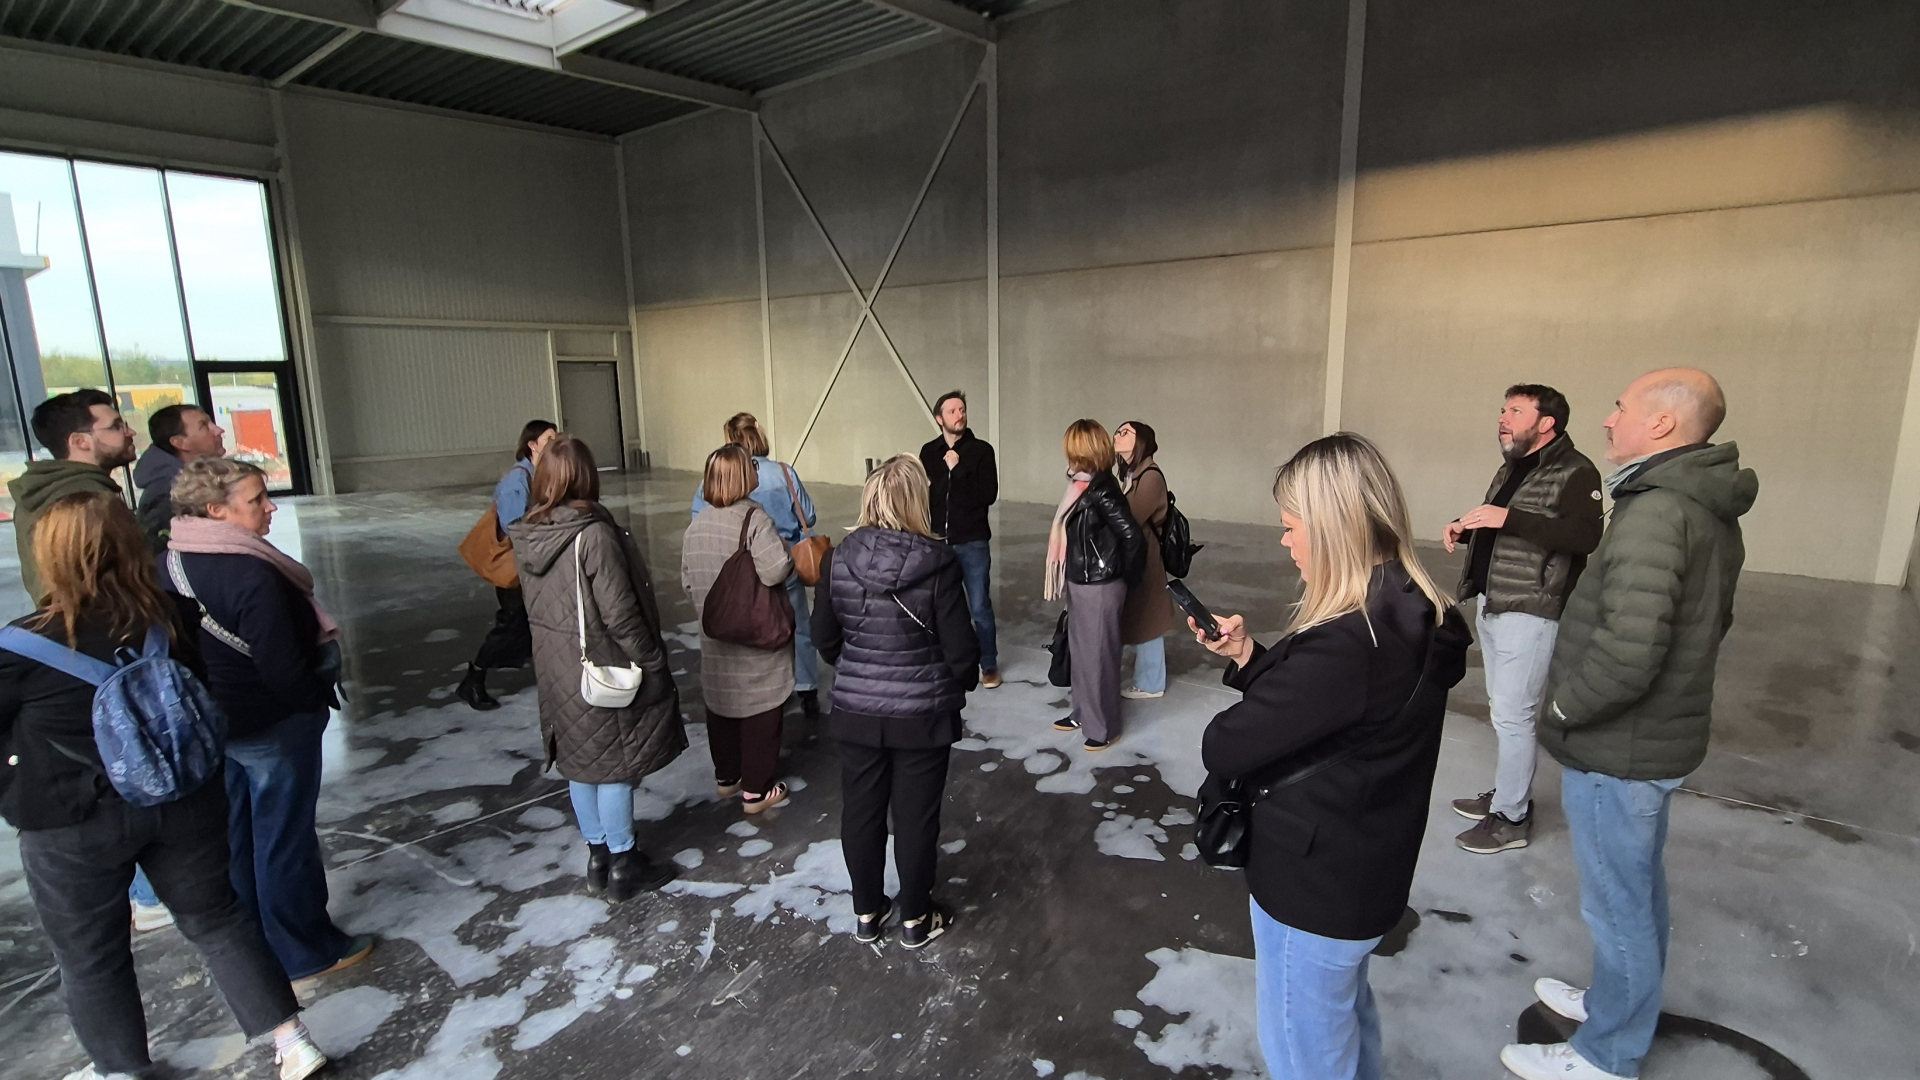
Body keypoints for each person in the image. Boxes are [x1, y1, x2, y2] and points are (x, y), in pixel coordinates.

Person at [0, 492, 327, 1080]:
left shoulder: (22, 647)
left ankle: (122, 1067)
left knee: (90, 955)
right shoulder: (171, 617)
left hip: (73, 819)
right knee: (218, 920)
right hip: (181, 799)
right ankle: (293, 1041)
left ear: (49, 557)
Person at [1500, 369, 1757, 1080]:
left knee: (1617, 905)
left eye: (1621, 408)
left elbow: (1630, 652)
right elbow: (1707, 623)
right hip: (1649, 737)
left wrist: (1562, 708)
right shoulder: (1697, 504)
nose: (1610, 420)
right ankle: (1613, 1003)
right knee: (1635, 892)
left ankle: (1608, 1054)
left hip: (1621, 747)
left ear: (1663, 424)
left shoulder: (1657, 513)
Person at [1198, 433, 1469, 1080]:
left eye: (1292, 527)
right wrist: (1249, 658)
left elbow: (1225, 744)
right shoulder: (1411, 606)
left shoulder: (1352, 643)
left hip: (1314, 888)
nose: (1284, 541)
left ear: (1331, 528)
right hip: (1365, 865)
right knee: (1345, 1026)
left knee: (1305, 1053)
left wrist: (1265, 682)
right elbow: (1341, 713)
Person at [163, 457, 372, 984]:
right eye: (256, 499)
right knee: (285, 838)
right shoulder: (252, 572)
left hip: (214, 723)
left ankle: (252, 942)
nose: (271, 507)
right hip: (272, 724)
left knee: (238, 836)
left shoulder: (170, 561)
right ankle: (305, 949)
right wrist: (312, 701)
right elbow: (282, 668)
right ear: (217, 510)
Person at [812, 455, 978, 948]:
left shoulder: (836, 560)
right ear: (917, 502)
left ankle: (867, 912)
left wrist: (860, 668)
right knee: (915, 819)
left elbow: (824, 638)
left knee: (861, 812)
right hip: (922, 717)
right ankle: (916, 919)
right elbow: (961, 651)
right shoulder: (939, 563)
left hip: (856, 712)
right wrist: (959, 681)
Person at [513, 435, 684, 900]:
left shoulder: (529, 534)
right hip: (601, 664)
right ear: (586, 476)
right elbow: (620, 614)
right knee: (613, 765)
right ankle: (625, 863)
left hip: (557, 666)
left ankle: (598, 856)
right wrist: (651, 658)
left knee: (579, 762)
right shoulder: (592, 534)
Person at [1441, 385, 1603, 855]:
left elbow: (1584, 536)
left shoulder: (1577, 471)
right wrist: (1466, 528)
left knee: (1515, 715)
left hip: (1532, 607)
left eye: (1515, 410)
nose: (1503, 418)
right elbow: (1504, 529)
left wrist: (1506, 518)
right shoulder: (1514, 466)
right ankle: (1508, 794)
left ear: (1546, 422)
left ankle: (1511, 817)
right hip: (1496, 599)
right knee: (1504, 710)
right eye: (1503, 409)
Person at [692, 413, 824, 730]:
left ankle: (760, 691)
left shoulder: (715, 478)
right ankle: (807, 688)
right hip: (785, 563)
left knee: (750, 628)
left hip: (736, 570)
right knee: (798, 628)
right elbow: (808, 516)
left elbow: (699, 519)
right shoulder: (784, 472)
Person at [683, 445, 796, 813]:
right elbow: (774, 571)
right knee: (761, 706)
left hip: (714, 634)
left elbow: (688, 581)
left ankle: (727, 778)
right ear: (743, 476)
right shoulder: (755, 520)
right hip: (755, 635)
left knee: (721, 704)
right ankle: (757, 791)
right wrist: (786, 550)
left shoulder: (697, 524)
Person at [1045, 420, 1145, 751]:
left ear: (1083, 451)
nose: (1066, 455)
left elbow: (1132, 537)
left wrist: (1121, 576)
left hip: (1100, 584)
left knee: (1100, 656)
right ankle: (1082, 713)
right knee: (1081, 653)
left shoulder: (1102, 490)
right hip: (1080, 580)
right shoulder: (1080, 486)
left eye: (1071, 449)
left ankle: (1105, 727)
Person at [458, 420, 557, 711]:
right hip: (517, 567)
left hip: (530, 564)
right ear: (532, 444)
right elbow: (513, 525)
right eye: (549, 439)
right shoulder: (518, 479)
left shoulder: (538, 475)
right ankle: (474, 678)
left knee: (527, 623)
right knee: (512, 624)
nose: (555, 443)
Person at [8, 389, 136, 601]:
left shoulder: (41, 490)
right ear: (79, 442)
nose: (130, 432)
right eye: (116, 426)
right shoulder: (86, 499)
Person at [920, 391, 1001, 688]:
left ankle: (988, 664)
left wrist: (960, 469)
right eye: (952, 411)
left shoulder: (981, 451)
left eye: (962, 409)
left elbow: (988, 495)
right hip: (937, 541)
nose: (960, 415)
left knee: (979, 606)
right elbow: (924, 494)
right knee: (940, 606)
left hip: (972, 541)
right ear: (939, 418)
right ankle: (947, 660)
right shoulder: (929, 452)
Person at [1114, 420, 1175, 699]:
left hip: (1146, 556)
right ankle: (1148, 678)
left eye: (1125, 432)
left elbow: (1129, 517)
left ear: (1141, 441)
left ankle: (1151, 683)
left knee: (1149, 617)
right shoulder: (1133, 474)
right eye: (1118, 431)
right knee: (1142, 614)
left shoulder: (1150, 477)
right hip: (1136, 554)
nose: (1117, 436)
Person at [133, 403, 227, 553]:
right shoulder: (168, 493)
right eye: (204, 426)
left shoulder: (194, 482)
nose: (218, 430)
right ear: (179, 442)